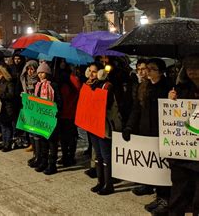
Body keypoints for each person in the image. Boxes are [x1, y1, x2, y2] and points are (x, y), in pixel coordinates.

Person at [123, 58, 171, 213]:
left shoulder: (168, 87)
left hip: (162, 132)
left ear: (161, 71)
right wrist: (129, 127)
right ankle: (158, 195)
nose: (148, 71)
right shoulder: (144, 86)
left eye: (152, 69)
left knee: (163, 167)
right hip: (146, 131)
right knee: (152, 166)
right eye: (147, 68)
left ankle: (166, 199)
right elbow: (137, 109)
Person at [167, 54, 199, 216]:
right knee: (178, 194)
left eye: (196, 67)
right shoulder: (180, 89)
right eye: (189, 67)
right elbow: (171, 115)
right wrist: (170, 100)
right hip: (182, 152)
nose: (192, 71)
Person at [84, 62, 121, 196]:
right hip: (93, 124)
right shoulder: (89, 85)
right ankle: (100, 181)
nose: (92, 74)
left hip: (105, 125)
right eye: (90, 71)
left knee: (106, 155)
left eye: (95, 71)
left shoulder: (107, 86)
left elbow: (106, 104)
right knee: (98, 155)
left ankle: (108, 184)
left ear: (101, 73)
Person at [33, 62, 61, 175]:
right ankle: (43, 162)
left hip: (51, 117)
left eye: (43, 72)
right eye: (39, 72)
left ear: (47, 73)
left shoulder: (53, 85)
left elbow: (59, 101)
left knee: (52, 142)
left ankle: (52, 165)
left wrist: (54, 109)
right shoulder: (38, 85)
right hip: (41, 118)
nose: (40, 75)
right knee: (43, 141)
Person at [57, 62, 81, 167]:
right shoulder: (65, 78)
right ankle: (66, 156)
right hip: (65, 112)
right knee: (64, 137)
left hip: (70, 112)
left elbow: (77, 93)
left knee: (69, 137)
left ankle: (69, 156)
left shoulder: (72, 79)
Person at [0, 65, 15, 152]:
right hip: (0, 107)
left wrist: (0, 95)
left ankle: (7, 144)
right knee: (2, 126)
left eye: (0, 74)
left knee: (7, 126)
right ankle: (3, 142)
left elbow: (11, 95)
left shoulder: (9, 82)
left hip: (7, 107)